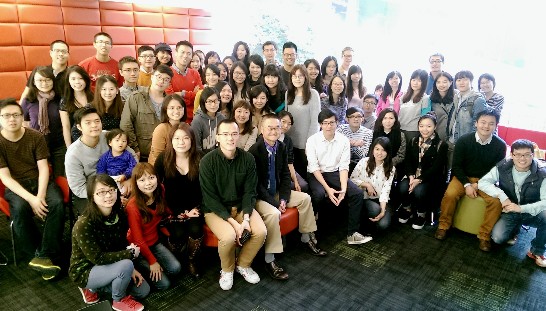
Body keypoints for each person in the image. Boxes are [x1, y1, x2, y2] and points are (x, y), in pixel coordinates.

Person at [250, 114, 326, 281]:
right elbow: (256, 185)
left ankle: (306, 239)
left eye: (277, 127)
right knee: (273, 213)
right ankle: (269, 260)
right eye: (269, 127)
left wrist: (283, 199)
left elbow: (285, 176)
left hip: (277, 192)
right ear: (262, 130)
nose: (273, 131)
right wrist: (276, 203)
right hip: (260, 196)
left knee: (305, 198)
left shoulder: (282, 147)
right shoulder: (254, 151)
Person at [0, 98, 64, 281]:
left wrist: (40, 195)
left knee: (57, 203)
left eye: (16, 115)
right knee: (19, 209)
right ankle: (39, 252)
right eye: (6, 116)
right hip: (16, 186)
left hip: (40, 181)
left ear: (22, 117)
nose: (12, 119)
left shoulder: (35, 136)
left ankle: (43, 255)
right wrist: (31, 199)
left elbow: (44, 168)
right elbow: (5, 177)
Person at [199, 119, 267, 290]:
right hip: (216, 210)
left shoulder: (248, 159)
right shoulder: (207, 161)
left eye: (234, 134)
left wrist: (245, 219)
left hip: (241, 207)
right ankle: (227, 270)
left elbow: (249, 192)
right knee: (229, 236)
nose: (230, 138)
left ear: (239, 136)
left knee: (260, 231)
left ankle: (243, 265)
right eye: (225, 134)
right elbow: (210, 198)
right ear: (218, 137)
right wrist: (233, 223)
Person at [69, 174, 149, 310]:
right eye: (101, 192)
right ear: (91, 196)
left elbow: (121, 243)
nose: (108, 196)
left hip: (110, 262)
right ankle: (118, 301)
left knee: (143, 291)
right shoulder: (83, 224)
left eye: (112, 190)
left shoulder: (118, 214)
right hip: (86, 270)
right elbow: (97, 258)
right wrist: (128, 257)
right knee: (126, 265)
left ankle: (97, 287)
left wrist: (131, 269)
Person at [435, 109, 507, 252]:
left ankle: (484, 236)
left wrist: (479, 184)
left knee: (496, 201)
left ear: (496, 126)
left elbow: (496, 171)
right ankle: (443, 225)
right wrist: (467, 184)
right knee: (450, 194)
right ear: (476, 123)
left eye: (491, 123)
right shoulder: (464, 140)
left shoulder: (500, 145)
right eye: (483, 122)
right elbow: (456, 166)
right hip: (463, 178)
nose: (486, 126)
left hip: (486, 181)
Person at [306, 109, 371, 245]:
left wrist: (343, 188)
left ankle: (352, 233)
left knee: (357, 193)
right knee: (319, 194)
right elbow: (314, 167)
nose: (329, 126)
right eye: (325, 123)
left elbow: (343, 166)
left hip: (335, 172)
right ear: (320, 124)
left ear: (337, 123)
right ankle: (311, 231)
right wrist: (328, 189)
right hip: (317, 173)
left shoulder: (343, 141)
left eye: (332, 123)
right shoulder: (312, 140)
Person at [479, 139, 546, 267]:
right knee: (498, 238)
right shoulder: (503, 166)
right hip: (509, 210)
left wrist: (520, 208)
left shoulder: (542, 173)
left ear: (533, 155)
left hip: (531, 211)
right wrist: (502, 196)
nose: (522, 158)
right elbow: (483, 182)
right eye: (518, 154)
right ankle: (515, 229)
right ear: (512, 155)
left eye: (527, 154)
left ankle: (537, 250)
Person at [154, 123, 204, 277]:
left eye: (185, 138)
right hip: (171, 209)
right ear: (171, 140)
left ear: (192, 140)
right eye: (176, 138)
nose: (181, 142)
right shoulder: (163, 158)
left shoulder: (200, 158)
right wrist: (170, 211)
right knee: (178, 233)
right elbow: (154, 186)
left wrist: (198, 208)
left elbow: (208, 188)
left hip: (195, 208)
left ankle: (191, 260)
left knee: (196, 230)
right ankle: (175, 260)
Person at [65, 107, 135, 215]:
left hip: (120, 182)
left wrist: (130, 178)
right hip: (91, 193)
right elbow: (78, 188)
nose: (94, 125)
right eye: (88, 123)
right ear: (79, 127)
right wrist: (107, 196)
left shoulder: (109, 136)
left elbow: (132, 155)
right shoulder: (73, 153)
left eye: (97, 121)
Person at [126, 163, 181, 290]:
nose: (148, 183)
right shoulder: (132, 207)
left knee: (176, 268)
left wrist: (180, 215)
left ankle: (153, 269)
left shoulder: (160, 189)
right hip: (138, 249)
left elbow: (164, 209)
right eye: (142, 180)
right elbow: (138, 240)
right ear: (136, 183)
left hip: (154, 242)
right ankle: (139, 267)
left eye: (151, 177)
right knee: (165, 285)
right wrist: (152, 261)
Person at [398, 113, 448, 229]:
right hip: (413, 175)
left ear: (435, 127)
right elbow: (408, 161)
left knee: (419, 191)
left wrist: (419, 179)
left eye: (429, 126)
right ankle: (407, 209)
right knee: (402, 187)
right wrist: (411, 176)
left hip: (429, 177)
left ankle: (421, 214)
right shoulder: (413, 140)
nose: (425, 129)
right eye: (421, 126)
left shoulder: (441, 145)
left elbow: (436, 168)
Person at [121, 64, 173, 162]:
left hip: (165, 154)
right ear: (152, 77)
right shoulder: (136, 97)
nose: (161, 81)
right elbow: (126, 124)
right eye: (159, 77)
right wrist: (134, 148)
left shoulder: (171, 101)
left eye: (166, 79)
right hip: (142, 154)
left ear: (169, 84)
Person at [21, 66, 66, 177]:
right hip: (36, 147)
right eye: (40, 80)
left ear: (53, 80)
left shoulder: (60, 98)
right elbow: (23, 122)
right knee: (40, 177)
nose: (44, 83)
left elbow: (66, 123)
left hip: (58, 146)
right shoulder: (28, 100)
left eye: (47, 80)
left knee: (60, 178)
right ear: (34, 83)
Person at [350, 137, 395, 233]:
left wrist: (383, 211)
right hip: (363, 198)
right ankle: (364, 222)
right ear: (373, 149)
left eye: (383, 150)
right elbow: (352, 180)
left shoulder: (391, 168)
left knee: (383, 225)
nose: (379, 153)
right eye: (377, 149)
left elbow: (385, 191)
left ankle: (369, 222)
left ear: (388, 152)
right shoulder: (364, 162)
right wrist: (367, 185)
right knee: (374, 210)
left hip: (379, 200)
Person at [285, 64, 321, 178]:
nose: (297, 79)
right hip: (289, 142)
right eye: (294, 76)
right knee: (292, 175)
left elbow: (315, 121)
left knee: (304, 175)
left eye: (300, 76)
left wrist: (309, 144)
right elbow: (286, 119)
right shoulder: (288, 93)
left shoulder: (313, 94)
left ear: (305, 77)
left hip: (305, 144)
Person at [20, 40, 69, 104]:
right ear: (51, 53)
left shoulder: (72, 74)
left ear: (68, 54)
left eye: (64, 51)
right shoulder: (39, 72)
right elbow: (26, 93)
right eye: (57, 51)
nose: (61, 54)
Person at [165, 40, 203, 124]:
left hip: (195, 120)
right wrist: (192, 95)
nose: (185, 56)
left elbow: (200, 96)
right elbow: (171, 98)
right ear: (176, 53)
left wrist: (183, 94)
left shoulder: (195, 73)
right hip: (176, 120)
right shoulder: (167, 73)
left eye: (189, 53)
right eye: (182, 52)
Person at [148, 94, 187, 166]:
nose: (176, 111)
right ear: (165, 110)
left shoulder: (186, 127)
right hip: (162, 168)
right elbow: (158, 157)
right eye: (172, 108)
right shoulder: (161, 129)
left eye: (179, 107)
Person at [96, 129, 137, 195]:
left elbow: (133, 166)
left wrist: (125, 175)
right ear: (110, 142)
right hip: (109, 181)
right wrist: (104, 180)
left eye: (124, 141)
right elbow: (100, 170)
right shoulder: (105, 156)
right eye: (117, 140)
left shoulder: (128, 155)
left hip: (124, 180)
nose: (120, 143)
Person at [60, 65, 93, 145]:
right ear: (68, 81)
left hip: (94, 138)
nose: (77, 82)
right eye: (73, 79)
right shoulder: (65, 101)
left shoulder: (94, 97)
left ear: (86, 80)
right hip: (76, 142)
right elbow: (66, 127)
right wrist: (69, 148)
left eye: (81, 78)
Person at [430, 72, 457, 169]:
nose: (441, 85)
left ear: (450, 82)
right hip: (438, 136)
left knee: (450, 164)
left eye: (445, 82)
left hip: (452, 137)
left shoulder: (457, 96)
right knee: (437, 164)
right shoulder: (431, 98)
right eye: (438, 82)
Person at [278, 111, 308, 192]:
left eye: (289, 124)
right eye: (283, 121)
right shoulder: (269, 136)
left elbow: (290, 162)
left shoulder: (288, 140)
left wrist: (295, 181)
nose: (285, 126)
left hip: (286, 169)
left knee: (303, 185)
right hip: (275, 171)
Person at [371, 108, 406, 178]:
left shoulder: (400, 135)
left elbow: (401, 155)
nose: (388, 121)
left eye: (391, 118)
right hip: (374, 164)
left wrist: (386, 164)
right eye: (385, 118)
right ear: (381, 120)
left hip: (392, 166)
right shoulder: (374, 133)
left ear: (395, 120)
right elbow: (370, 151)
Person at [336, 107, 373, 173]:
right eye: (352, 116)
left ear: (362, 118)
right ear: (347, 119)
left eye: (359, 116)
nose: (356, 119)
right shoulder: (341, 129)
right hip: (340, 162)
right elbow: (338, 149)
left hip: (358, 164)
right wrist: (354, 144)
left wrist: (349, 145)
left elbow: (363, 155)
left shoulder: (368, 133)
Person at [398, 69, 430, 143]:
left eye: (419, 81)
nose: (415, 83)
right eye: (413, 80)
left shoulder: (425, 98)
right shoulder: (403, 96)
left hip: (413, 132)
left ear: (424, 83)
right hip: (400, 129)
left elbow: (424, 118)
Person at [191, 86, 225, 153]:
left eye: (216, 101)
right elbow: (196, 148)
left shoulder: (222, 118)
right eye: (209, 101)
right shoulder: (197, 121)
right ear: (203, 102)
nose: (213, 105)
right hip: (202, 158)